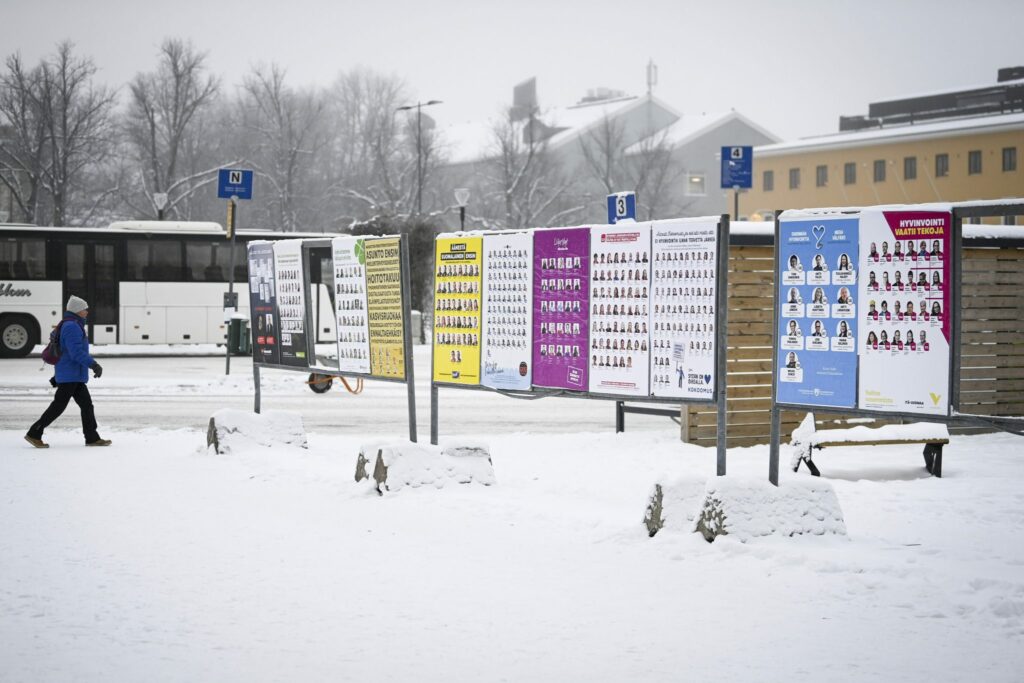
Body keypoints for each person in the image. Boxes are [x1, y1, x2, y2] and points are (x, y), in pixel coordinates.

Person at [25, 296, 110, 448]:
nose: (87, 312)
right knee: (58, 406)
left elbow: (65, 351)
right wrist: (93, 365)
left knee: (86, 405)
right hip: (70, 375)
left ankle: (92, 437)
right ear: (77, 310)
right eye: (84, 309)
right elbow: (75, 352)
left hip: (73, 375)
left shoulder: (72, 324)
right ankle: (34, 433)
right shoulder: (72, 327)